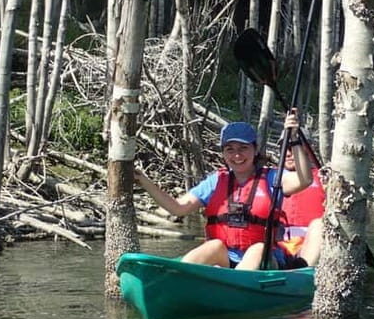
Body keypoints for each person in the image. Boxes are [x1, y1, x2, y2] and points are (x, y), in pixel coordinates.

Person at [134, 110, 312, 269]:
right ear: (223, 152)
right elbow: (177, 208)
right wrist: (143, 181)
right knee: (213, 245)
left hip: (265, 261)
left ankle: (236, 291)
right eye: (230, 149)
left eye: (243, 148)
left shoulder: (272, 178)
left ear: (255, 150)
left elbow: (304, 180)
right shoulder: (215, 182)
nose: (237, 155)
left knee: (257, 249)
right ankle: (176, 278)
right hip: (227, 258)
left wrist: (294, 139)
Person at [277, 141, 324, 269]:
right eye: (284, 149)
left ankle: (304, 270)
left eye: (292, 149)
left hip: (310, 246)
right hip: (279, 247)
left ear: (307, 150)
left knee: (319, 224)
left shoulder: (324, 178)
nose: (288, 154)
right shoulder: (270, 177)